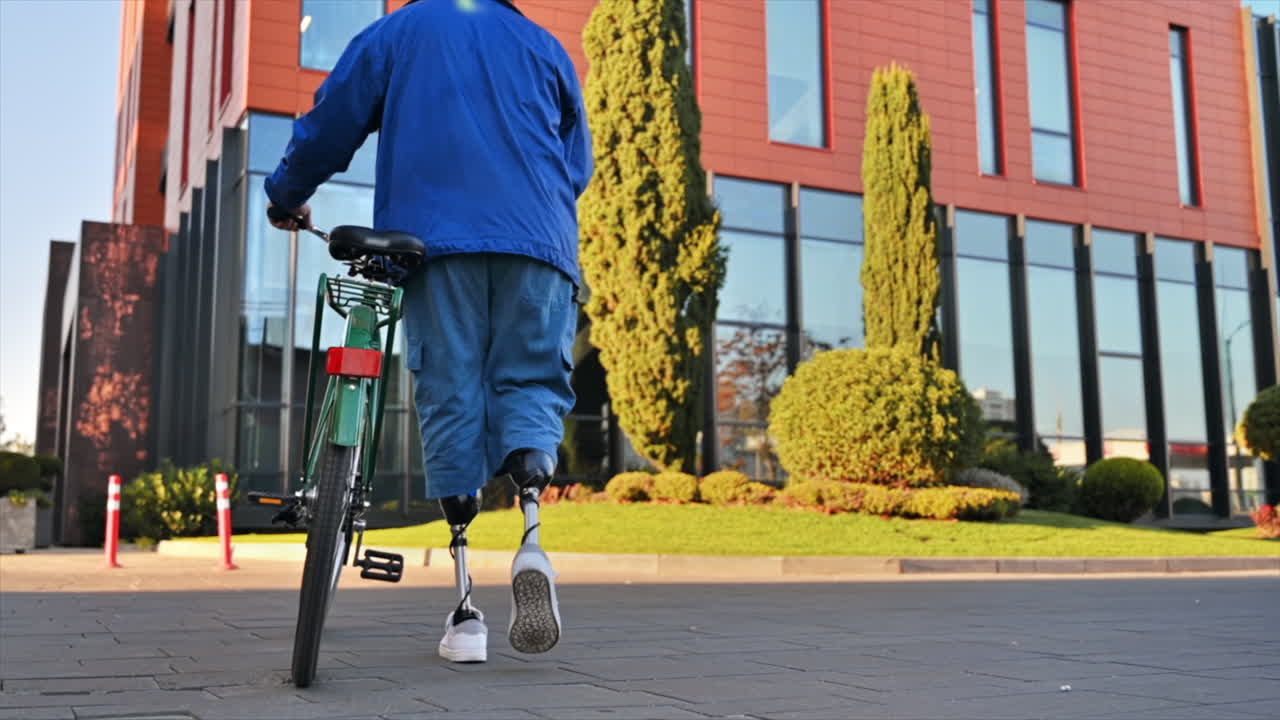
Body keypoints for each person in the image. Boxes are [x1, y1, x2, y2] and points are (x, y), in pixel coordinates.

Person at [263, 0, 592, 664]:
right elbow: (575, 164)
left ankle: (467, 613)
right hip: (541, 244)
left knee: (451, 391)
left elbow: (331, 123)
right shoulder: (545, 46)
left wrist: (285, 192)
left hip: (438, 242)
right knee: (530, 382)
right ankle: (531, 536)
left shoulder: (399, 31)